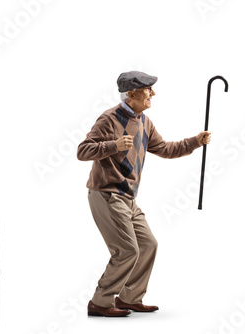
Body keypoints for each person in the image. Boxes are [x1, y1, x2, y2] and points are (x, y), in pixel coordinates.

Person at [77, 71, 211, 317]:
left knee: (148, 245)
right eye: (148, 89)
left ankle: (129, 298)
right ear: (131, 94)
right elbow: (83, 151)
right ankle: (101, 302)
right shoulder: (109, 119)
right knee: (127, 251)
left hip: (128, 198)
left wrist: (195, 141)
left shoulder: (144, 121)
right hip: (107, 195)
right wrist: (113, 146)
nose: (153, 93)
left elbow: (164, 148)